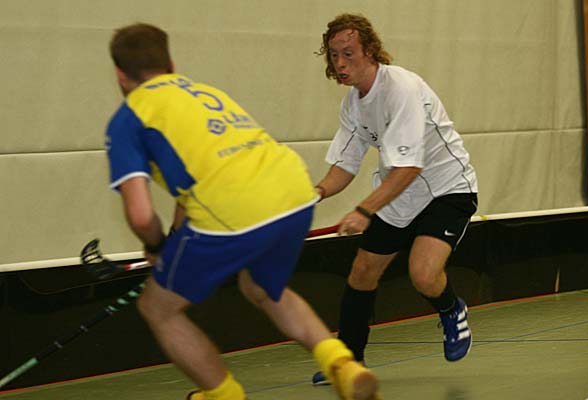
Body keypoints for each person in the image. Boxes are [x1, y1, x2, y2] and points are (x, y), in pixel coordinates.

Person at [106, 23, 381, 400]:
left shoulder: (128, 119)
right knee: (265, 289)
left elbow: (140, 215)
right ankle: (343, 366)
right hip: (294, 192)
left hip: (235, 209)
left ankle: (224, 395)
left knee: (158, 308)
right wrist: (174, 239)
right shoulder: (204, 93)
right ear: (170, 64)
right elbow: (195, 186)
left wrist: (155, 246)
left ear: (120, 75)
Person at [311, 14, 478, 385]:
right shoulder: (353, 104)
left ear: (370, 51)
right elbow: (344, 165)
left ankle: (451, 309)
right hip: (400, 195)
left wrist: (364, 210)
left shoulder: (400, 87)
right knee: (362, 271)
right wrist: (314, 194)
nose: (340, 63)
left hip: (446, 189)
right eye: (334, 55)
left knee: (423, 274)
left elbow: (410, 166)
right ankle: (350, 362)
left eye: (348, 53)